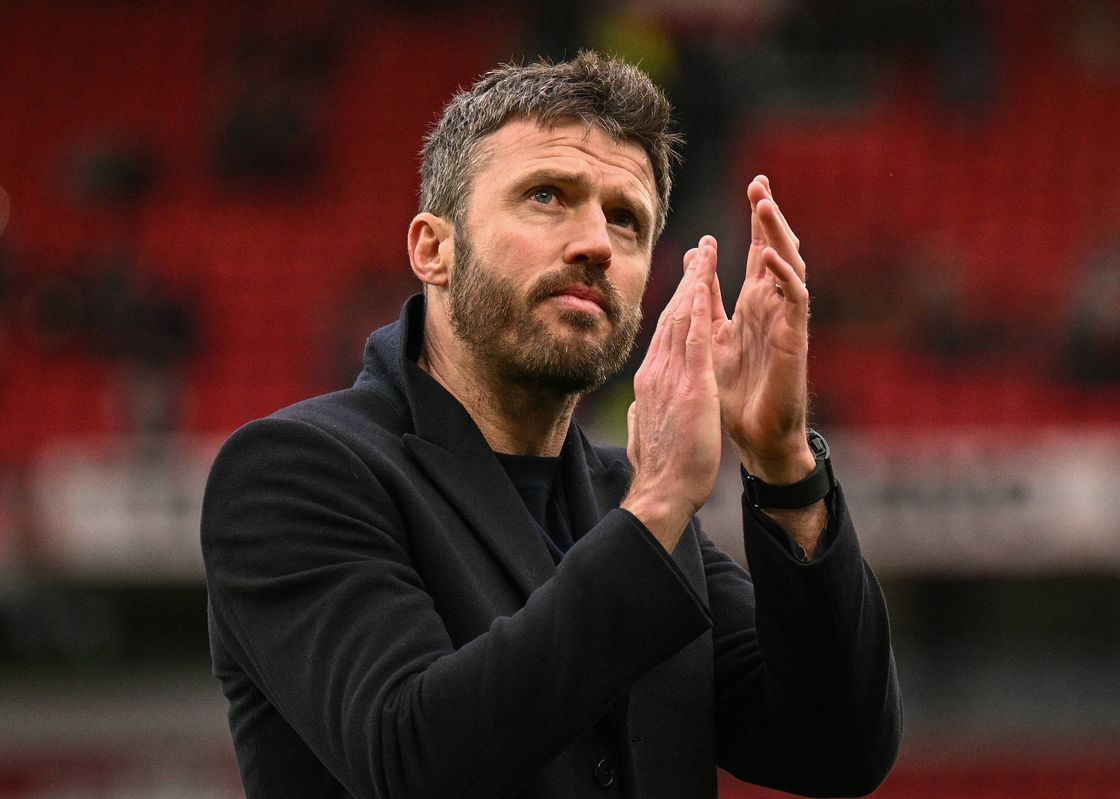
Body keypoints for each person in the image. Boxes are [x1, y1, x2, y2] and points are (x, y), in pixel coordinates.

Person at [202, 52, 901, 799]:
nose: (597, 241)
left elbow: (839, 751)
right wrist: (659, 506)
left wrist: (785, 464)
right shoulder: (293, 472)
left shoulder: (625, 495)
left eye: (626, 219)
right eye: (546, 195)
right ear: (433, 249)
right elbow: (410, 757)